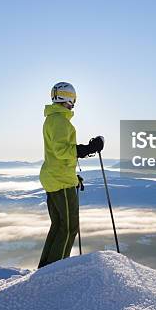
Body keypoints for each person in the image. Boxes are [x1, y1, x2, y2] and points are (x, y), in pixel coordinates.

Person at [38, 81, 103, 268]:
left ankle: (46, 267)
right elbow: (61, 151)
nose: (74, 103)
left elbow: (58, 155)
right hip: (60, 181)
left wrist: (74, 175)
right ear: (67, 98)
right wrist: (87, 149)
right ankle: (56, 269)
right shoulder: (59, 121)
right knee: (69, 227)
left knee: (58, 225)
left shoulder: (53, 119)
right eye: (73, 99)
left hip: (56, 177)